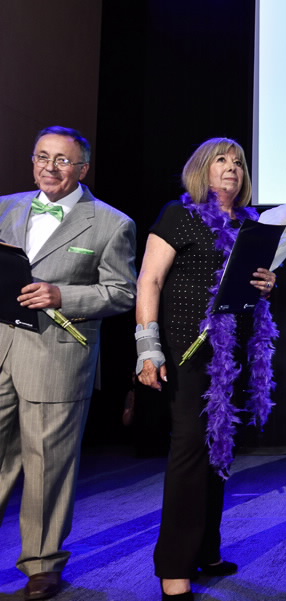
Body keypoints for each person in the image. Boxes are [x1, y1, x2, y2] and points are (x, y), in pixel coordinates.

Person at [136, 138, 278, 600]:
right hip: (187, 346)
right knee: (190, 449)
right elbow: (150, 280)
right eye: (221, 160)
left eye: (238, 162)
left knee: (219, 445)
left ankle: (206, 550)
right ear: (202, 168)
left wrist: (266, 283)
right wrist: (147, 348)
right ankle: (174, 566)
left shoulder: (252, 225)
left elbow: (250, 287)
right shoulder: (179, 215)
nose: (232, 167)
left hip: (230, 351)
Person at [0, 126, 136, 600]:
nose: (49, 168)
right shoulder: (4, 207)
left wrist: (63, 295)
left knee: (47, 466)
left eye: (62, 160)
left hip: (56, 357)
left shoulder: (111, 223)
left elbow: (122, 292)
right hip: (1, 348)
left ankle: (42, 565)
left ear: (82, 168)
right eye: (42, 157)